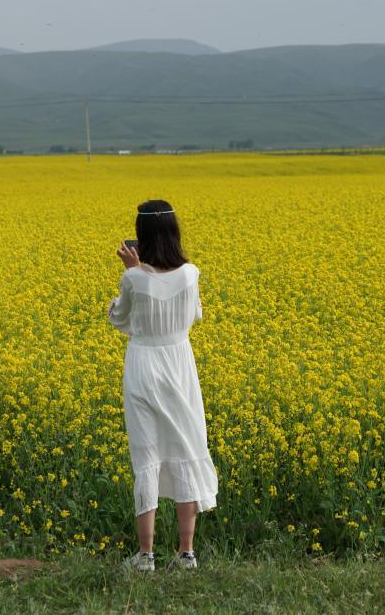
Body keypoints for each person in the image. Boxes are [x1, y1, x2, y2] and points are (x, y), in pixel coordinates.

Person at [108, 199, 218, 572]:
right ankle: (186, 553)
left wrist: (134, 272)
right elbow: (195, 315)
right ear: (173, 233)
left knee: (147, 455)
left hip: (143, 365)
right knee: (186, 446)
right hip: (179, 364)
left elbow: (120, 318)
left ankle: (145, 556)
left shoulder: (133, 277)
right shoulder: (191, 274)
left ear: (141, 237)